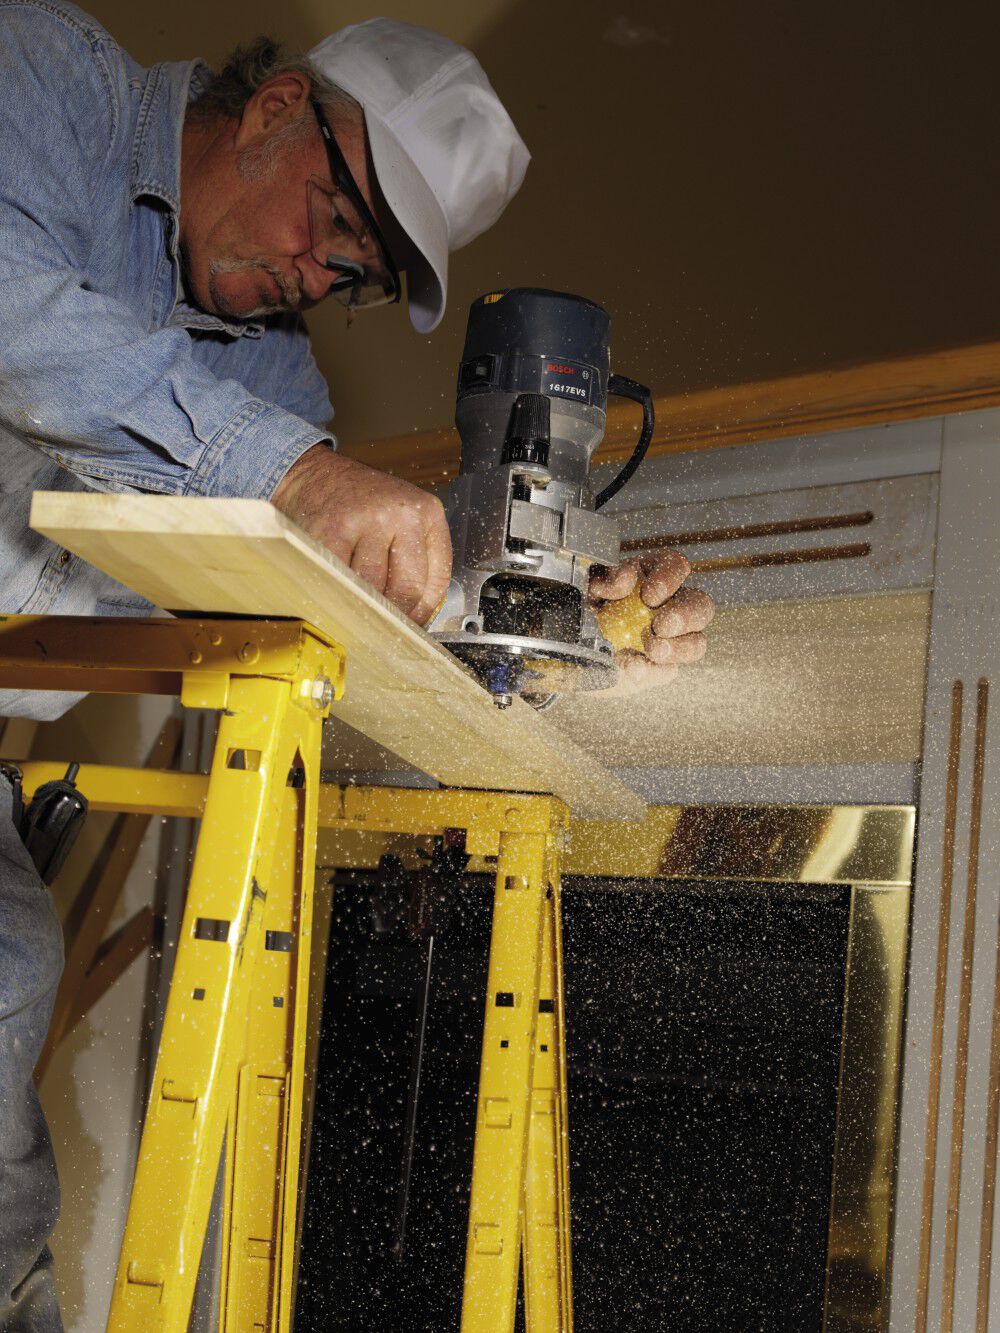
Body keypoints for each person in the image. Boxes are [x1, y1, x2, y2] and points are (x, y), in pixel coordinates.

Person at [0, 3, 714, 1325]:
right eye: (337, 225)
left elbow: (357, 584)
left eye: (361, 273)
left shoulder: (278, 390)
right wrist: (286, 474)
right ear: (280, 111)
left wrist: (562, 617)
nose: (324, 275)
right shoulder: (46, 78)